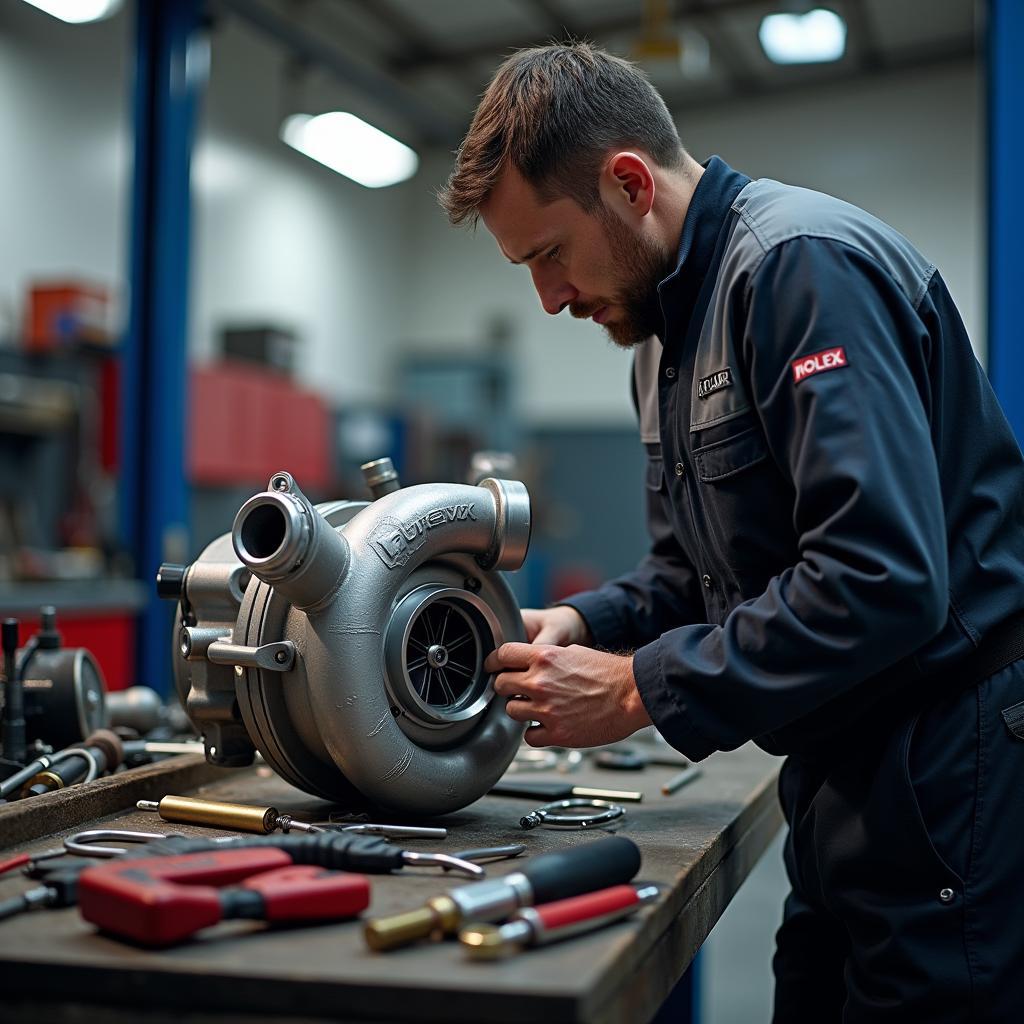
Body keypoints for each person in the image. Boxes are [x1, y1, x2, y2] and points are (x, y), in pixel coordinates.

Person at [441, 41, 1024, 1024]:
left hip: (946, 759)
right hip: (838, 763)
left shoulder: (799, 271)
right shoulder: (660, 339)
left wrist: (637, 688)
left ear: (628, 183)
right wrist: (583, 625)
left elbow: (878, 576)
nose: (546, 298)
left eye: (547, 254)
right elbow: (688, 572)